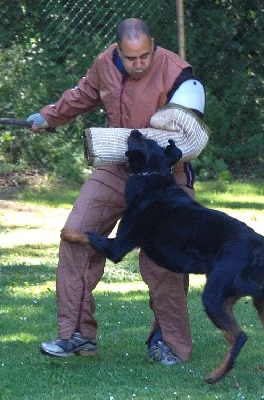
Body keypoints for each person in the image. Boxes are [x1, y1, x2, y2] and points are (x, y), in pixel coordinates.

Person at [27, 18, 205, 365]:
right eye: (131, 58)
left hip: (164, 176)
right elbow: (83, 95)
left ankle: (170, 343)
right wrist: (49, 116)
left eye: (145, 56)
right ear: (118, 52)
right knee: (75, 235)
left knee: (164, 257)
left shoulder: (180, 75)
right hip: (115, 170)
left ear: (153, 44)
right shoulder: (103, 64)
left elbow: (190, 135)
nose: (139, 64)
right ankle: (77, 336)